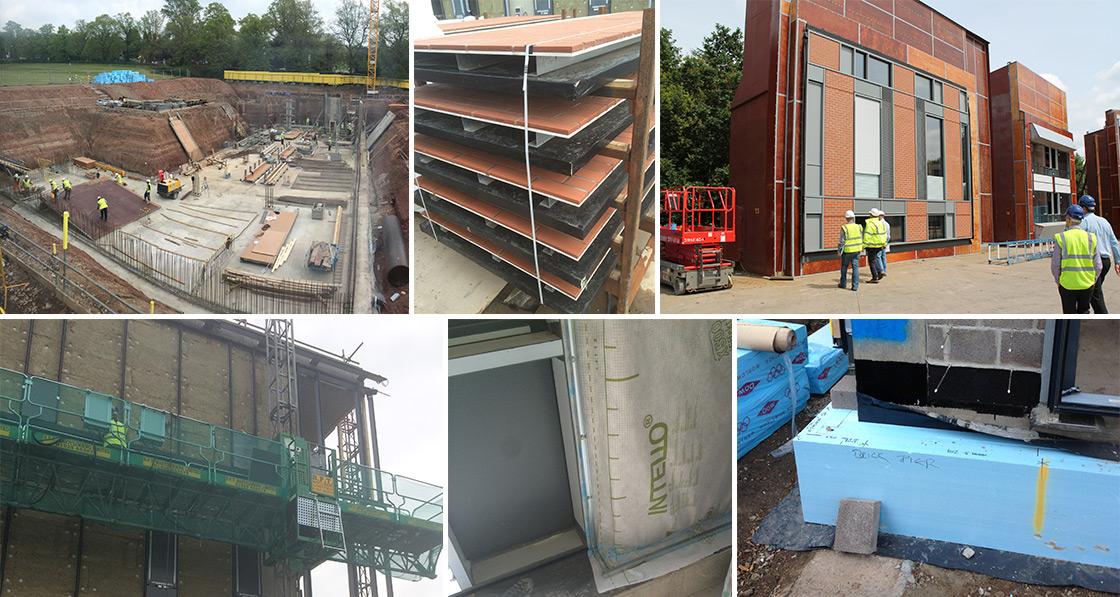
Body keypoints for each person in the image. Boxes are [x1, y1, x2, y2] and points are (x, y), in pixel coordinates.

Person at [1052, 204, 1101, 314]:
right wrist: (1093, 280)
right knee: (1084, 311)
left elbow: (1055, 264)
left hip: (1067, 284)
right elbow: (1098, 264)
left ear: (1069, 219)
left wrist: (1058, 280)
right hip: (1087, 283)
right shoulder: (1091, 237)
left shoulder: (1061, 237)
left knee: (1069, 313)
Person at [1077, 195, 1120, 314]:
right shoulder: (1104, 221)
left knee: (1095, 293)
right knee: (1093, 291)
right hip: (1106, 261)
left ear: (1084, 208)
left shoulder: (1084, 222)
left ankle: (1103, 316)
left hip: (1093, 262)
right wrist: (1117, 261)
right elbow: (1114, 243)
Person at [837, 210, 863, 291]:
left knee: (844, 267)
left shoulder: (844, 228)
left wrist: (839, 250)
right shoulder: (859, 227)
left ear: (846, 218)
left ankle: (843, 283)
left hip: (848, 251)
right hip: (857, 250)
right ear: (853, 217)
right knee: (855, 267)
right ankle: (855, 286)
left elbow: (842, 241)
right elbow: (861, 237)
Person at [862, 208, 887, 283]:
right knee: (874, 259)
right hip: (879, 245)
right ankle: (880, 271)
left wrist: (863, 246)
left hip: (871, 246)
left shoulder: (870, 224)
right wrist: (884, 244)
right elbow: (884, 235)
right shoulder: (881, 224)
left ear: (871, 215)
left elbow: (867, 236)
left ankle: (875, 278)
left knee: (871, 261)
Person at [877, 210, 891, 277]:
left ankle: (881, 271)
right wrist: (886, 242)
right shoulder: (887, 224)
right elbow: (888, 235)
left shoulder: (879, 224)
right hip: (885, 242)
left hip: (880, 242)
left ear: (879, 216)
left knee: (878, 256)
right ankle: (884, 270)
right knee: (883, 257)